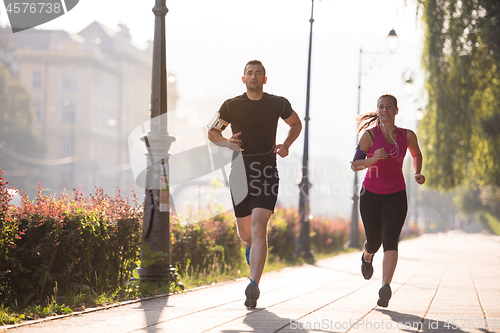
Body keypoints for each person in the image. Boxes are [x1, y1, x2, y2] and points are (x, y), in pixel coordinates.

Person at [207, 60, 302, 309]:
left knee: (260, 227)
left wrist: (286, 144)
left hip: (267, 171)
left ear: (264, 79)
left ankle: (253, 285)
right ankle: (251, 248)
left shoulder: (277, 103)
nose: (254, 77)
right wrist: (228, 142)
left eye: (258, 73)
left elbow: (295, 123)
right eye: (250, 73)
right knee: (246, 233)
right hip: (239, 172)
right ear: (243, 79)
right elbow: (212, 133)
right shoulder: (231, 106)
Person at [350, 94, 425, 308]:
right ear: (378, 110)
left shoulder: (407, 135)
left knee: (391, 239)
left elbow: (417, 154)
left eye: (389, 107)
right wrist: (373, 159)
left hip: (396, 194)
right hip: (370, 195)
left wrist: (417, 173)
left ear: (396, 110)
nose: (385, 110)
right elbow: (355, 164)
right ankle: (367, 256)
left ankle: (385, 287)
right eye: (381, 107)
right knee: (374, 241)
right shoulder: (369, 136)